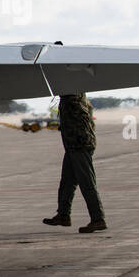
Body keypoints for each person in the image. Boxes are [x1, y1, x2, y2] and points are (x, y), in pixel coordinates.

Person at [43, 93, 106, 233]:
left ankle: (98, 219)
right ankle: (63, 215)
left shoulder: (72, 98)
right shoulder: (74, 97)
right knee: (67, 182)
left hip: (79, 145)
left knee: (87, 183)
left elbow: (81, 119)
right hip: (73, 145)